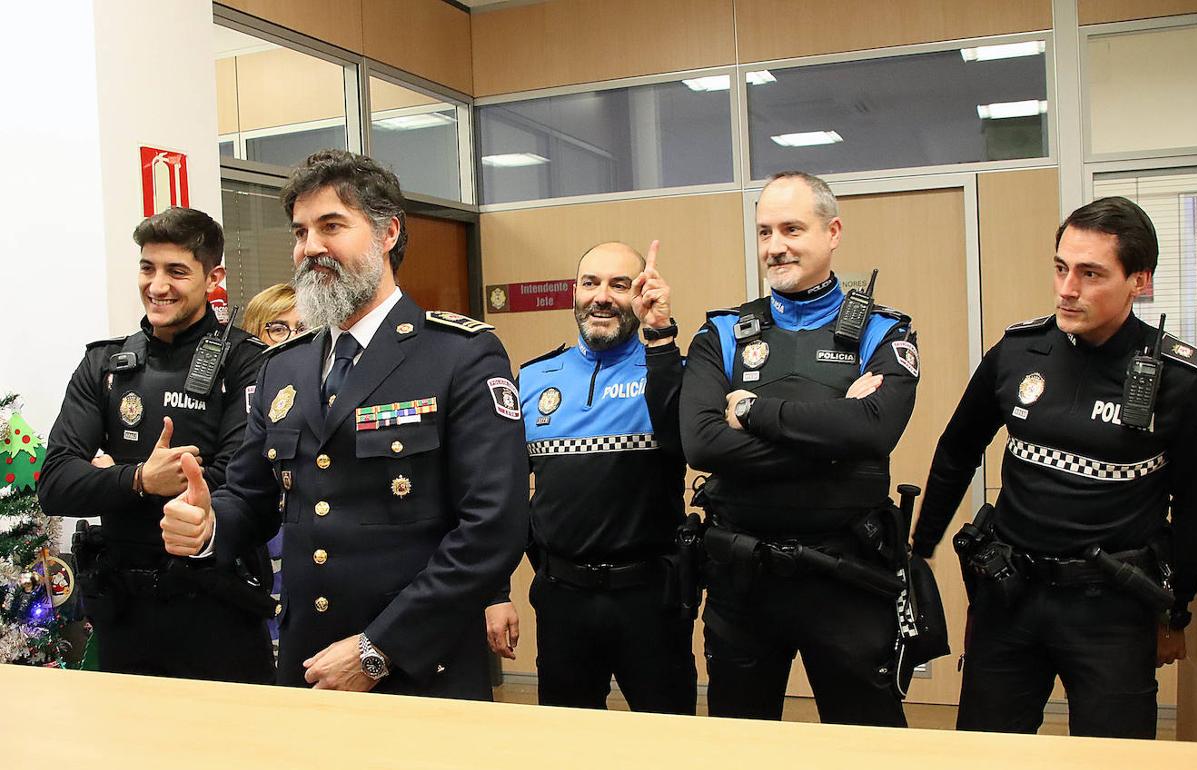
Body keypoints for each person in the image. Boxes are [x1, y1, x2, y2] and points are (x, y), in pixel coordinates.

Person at [159, 149, 529, 699]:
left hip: (420, 668)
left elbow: (491, 529)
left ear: (387, 233)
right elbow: (252, 497)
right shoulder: (286, 363)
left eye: (332, 226)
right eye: (301, 231)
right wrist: (209, 525)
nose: (311, 247)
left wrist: (377, 650)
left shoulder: (459, 356)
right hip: (308, 664)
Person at [911, 196, 1197, 739]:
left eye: (1090, 273)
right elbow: (957, 448)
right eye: (1060, 268)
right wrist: (920, 550)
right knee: (986, 754)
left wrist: (1175, 607)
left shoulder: (1182, 377)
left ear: (1139, 281)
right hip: (1009, 596)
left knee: (1113, 758)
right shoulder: (1018, 352)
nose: (1067, 289)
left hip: (1111, 609)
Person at [680, 171, 919, 726]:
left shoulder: (883, 332)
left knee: (869, 746)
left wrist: (750, 411)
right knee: (741, 747)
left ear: (832, 232)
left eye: (792, 229)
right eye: (764, 232)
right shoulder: (720, 333)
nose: (775, 246)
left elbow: (875, 431)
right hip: (744, 580)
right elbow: (701, 442)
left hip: (846, 578)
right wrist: (837, 439)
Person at [38, 207, 274, 682]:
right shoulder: (105, 365)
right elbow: (56, 483)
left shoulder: (249, 363)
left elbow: (238, 481)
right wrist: (141, 478)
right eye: (148, 268)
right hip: (125, 616)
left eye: (177, 271)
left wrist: (105, 474)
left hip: (215, 612)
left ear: (214, 278)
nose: (157, 285)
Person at [485, 241, 696, 713]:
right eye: (590, 283)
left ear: (639, 294)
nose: (602, 296)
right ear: (574, 293)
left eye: (620, 285)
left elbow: (685, 443)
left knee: (673, 742)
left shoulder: (671, 371)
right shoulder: (534, 377)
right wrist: (496, 592)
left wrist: (660, 332)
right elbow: (504, 495)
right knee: (566, 743)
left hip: (651, 598)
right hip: (563, 598)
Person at [240, 283, 305, 653]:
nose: (291, 340)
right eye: (278, 329)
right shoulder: (237, 396)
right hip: (251, 545)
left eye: (303, 328)